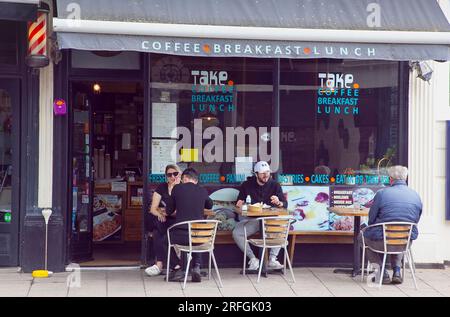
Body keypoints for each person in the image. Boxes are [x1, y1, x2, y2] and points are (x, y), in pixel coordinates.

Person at [361, 165, 422, 284]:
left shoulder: (381, 194)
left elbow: (371, 220)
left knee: (362, 236)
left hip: (381, 242)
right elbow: (416, 219)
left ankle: (381, 273)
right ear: (405, 178)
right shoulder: (416, 195)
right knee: (400, 235)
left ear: (390, 179)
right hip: (405, 242)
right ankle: (397, 271)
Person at [232, 161, 288, 271]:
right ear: (256, 174)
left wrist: (279, 202)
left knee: (282, 226)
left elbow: (284, 204)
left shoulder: (275, 185)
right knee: (236, 233)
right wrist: (239, 204)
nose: (266, 175)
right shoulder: (246, 185)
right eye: (262, 173)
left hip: (270, 221)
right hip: (254, 220)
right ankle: (253, 259)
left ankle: (272, 259)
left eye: (267, 172)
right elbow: (239, 203)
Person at [165, 168, 213, 282]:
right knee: (196, 233)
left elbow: (169, 211)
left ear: (185, 178)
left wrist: (172, 192)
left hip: (182, 235)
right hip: (201, 237)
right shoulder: (202, 190)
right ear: (195, 180)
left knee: (163, 239)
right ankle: (196, 266)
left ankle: (179, 267)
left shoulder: (177, 188)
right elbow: (210, 205)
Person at [145, 164, 181, 277]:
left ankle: (160, 265)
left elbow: (179, 209)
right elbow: (153, 209)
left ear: (179, 174)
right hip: (166, 219)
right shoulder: (162, 187)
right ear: (166, 176)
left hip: (179, 221)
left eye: (175, 174)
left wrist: (174, 189)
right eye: (169, 174)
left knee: (157, 231)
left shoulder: (183, 188)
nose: (172, 177)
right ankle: (168, 264)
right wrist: (159, 213)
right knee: (157, 229)